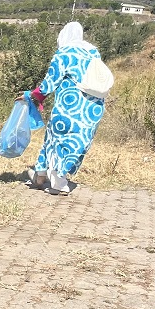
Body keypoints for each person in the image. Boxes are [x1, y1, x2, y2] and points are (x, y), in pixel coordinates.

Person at [25, 21, 107, 195]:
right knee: (73, 143)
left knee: (59, 140)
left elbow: (51, 81)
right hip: (92, 110)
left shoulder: (64, 52)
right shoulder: (94, 52)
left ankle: (57, 182)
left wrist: (34, 96)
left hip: (69, 106)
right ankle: (41, 173)